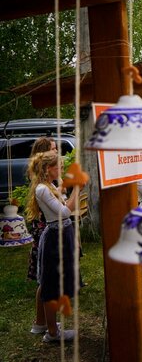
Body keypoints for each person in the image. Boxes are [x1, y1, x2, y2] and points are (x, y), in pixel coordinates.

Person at [26, 151, 79, 342]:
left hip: (62, 235)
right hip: (55, 238)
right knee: (51, 285)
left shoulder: (50, 185)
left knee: (57, 283)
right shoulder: (42, 189)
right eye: (59, 167)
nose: (61, 170)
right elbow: (63, 212)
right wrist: (77, 189)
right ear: (48, 169)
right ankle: (52, 333)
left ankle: (51, 325)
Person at [26, 137, 59, 282]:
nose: (56, 150)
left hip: (53, 218)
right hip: (44, 220)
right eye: (53, 148)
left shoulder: (53, 169)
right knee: (46, 254)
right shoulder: (39, 175)